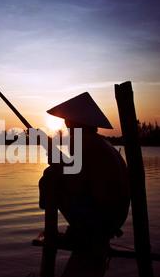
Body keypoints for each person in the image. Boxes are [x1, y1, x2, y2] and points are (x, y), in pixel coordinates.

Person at [39, 92, 130, 247]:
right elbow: (76, 171)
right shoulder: (100, 141)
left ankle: (82, 233)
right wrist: (50, 148)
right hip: (112, 222)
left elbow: (76, 185)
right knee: (54, 173)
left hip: (100, 224)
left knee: (50, 176)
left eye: (67, 120)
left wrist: (54, 160)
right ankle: (84, 231)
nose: (66, 124)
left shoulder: (81, 140)